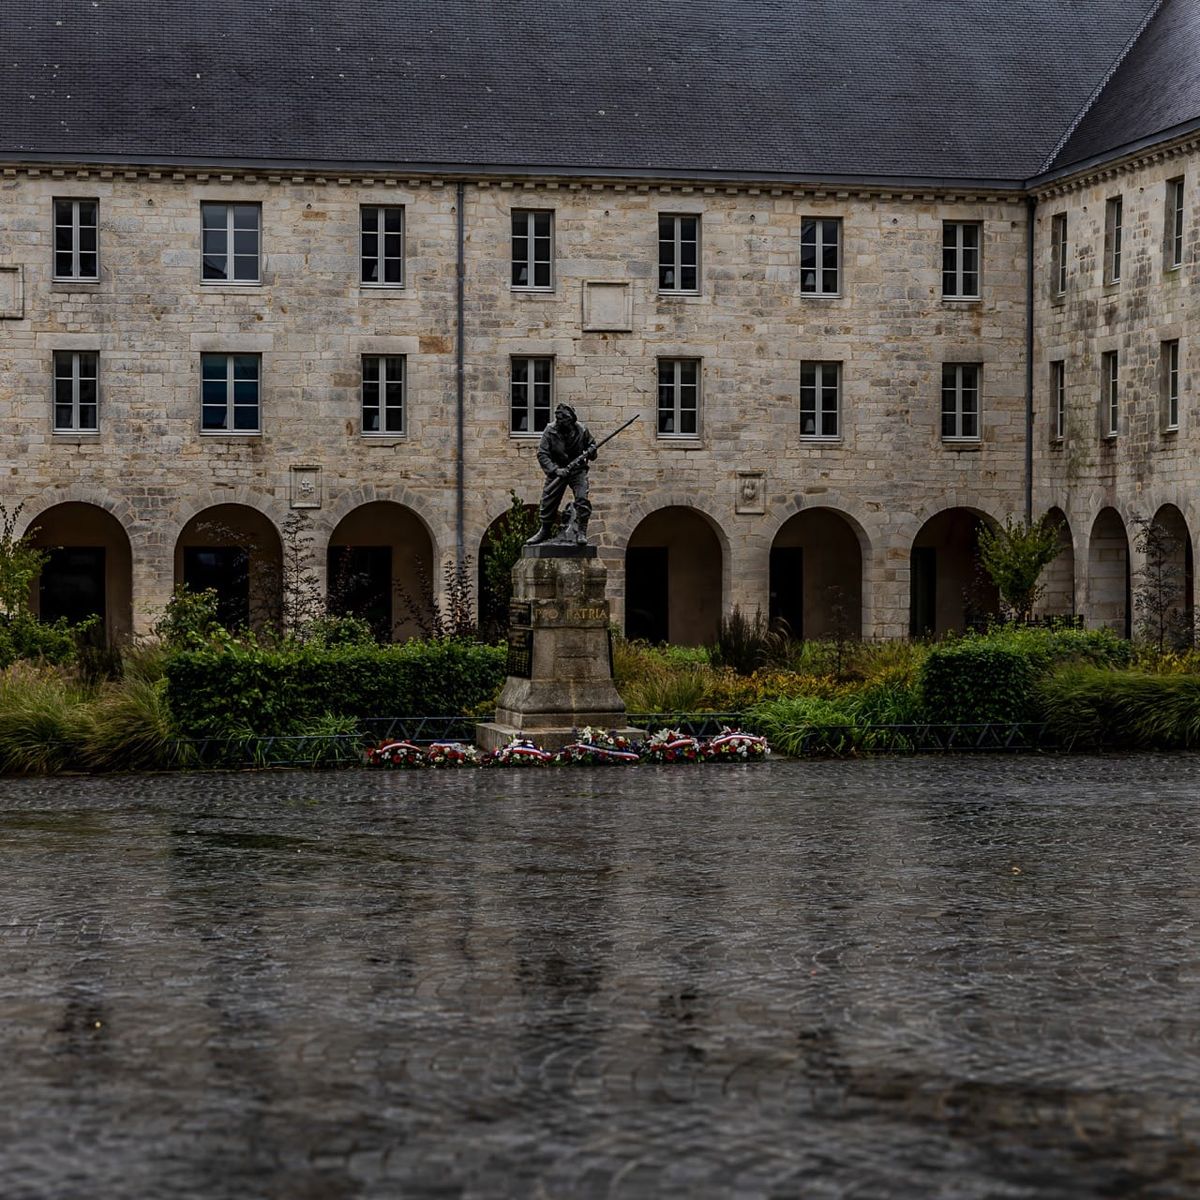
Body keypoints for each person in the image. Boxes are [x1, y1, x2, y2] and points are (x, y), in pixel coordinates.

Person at [526, 403, 598, 545]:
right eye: (557, 418)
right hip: (558, 470)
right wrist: (555, 470)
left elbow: (592, 447)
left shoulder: (582, 430)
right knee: (548, 500)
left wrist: (591, 451)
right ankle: (544, 530)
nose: (559, 421)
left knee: (582, 499)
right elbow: (542, 454)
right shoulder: (550, 430)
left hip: (578, 470)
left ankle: (582, 531)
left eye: (562, 419)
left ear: (571, 420)